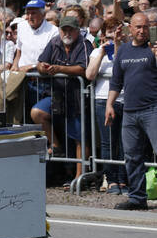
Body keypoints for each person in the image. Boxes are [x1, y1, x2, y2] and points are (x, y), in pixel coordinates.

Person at [30, 16, 93, 173]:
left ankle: (80, 175)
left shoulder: (85, 44)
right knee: (37, 112)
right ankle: (56, 145)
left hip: (78, 96)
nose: (67, 32)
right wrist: (43, 68)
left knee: (80, 137)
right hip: (57, 95)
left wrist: (59, 69)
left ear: (77, 30)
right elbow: (39, 64)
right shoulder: (54, 42)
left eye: (70, 29)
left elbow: (83, 69)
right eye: (64, 29)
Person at [108, 13, 157, 210]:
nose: (142, 31)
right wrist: (110, 105)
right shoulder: (124, 50)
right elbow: (116, 81)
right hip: (129, 111)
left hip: (153, 109)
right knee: (132, 156)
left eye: (145, 27)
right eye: (138, 27)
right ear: (131, 28)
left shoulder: (153, 50)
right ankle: (137, 199)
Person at [86, 17, 127, 195]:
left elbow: (121, 69)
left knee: (125, 143)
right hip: (103, 99)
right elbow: (89, 75)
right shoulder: (97, 53)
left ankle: (124, 179)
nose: (112, 35)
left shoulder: (126, 50)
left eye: (115, 31)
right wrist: (102, 53)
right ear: (103, 35)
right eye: (108, 32)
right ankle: (111, 179)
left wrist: (118, 45)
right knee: (108, 143)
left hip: (125, 100)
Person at [12, 0, 59, 118]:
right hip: (21, 80)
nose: (29, 16)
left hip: (42, 82)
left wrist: (30, 67)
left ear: (43, 14)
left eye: (33, 13)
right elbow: (19, 50)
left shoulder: (53, 31)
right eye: (28, 13)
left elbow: (51, 59)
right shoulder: (22, 26)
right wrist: (15, 65)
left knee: (37, 117)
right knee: (22, 117)